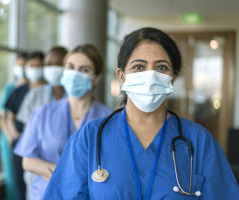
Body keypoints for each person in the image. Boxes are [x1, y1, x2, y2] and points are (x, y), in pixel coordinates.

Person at [42, 27, 239, 199]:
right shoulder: (91, 137)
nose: (150, 75)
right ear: (121, 76)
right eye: (139, 67)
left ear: (173, 78)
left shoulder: (199, 142)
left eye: (161, 67)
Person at [14, 44, 112, 200]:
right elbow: (27, 160)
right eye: (70, 67)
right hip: (46, 194)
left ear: (97, 77)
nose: (75, 74)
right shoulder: (43, 113)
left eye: (84, 70)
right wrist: (59, 172)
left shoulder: (108, 119)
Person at [15, 46, 67, 200]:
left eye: (58, 64)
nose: (53, 69)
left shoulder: (77, 98)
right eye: (49, 65)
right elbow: (28, 139)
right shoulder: (35, 95)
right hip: (37, 174)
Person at [5, 51, 45, 200]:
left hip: (43, 145)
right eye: (31, 66)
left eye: (38, 66)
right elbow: (10, 117)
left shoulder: (51, 91)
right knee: (20, 183)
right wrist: (14, 136)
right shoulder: (19, 91)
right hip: (22, 141)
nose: (35, 69)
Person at [0, 52, 28, 200]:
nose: (20, 68)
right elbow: (3, 116)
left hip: (24, 139)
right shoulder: (10, 88)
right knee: (13, 178)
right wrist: (11, 137)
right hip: (10, 139)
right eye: (18, 65)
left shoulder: (32, 88)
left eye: (24, 65)